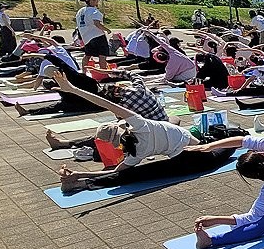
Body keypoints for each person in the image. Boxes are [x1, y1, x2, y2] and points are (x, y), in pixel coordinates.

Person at [49, 75, 238, 193]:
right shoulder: (140, 125)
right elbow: (106, 103)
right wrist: (73, 89)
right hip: (198, 159)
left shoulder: (134, 152)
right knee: (232, 143)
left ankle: (79, 184)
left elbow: (116, 172)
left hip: (185, 159)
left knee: (139, 173)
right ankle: (78, 183)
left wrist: (80, 173)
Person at [76, 0, 113, 69]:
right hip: (97, 35)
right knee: (102, 55)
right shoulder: (94, 11)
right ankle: (103, 71)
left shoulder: (80, 11)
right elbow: (97, 23)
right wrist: (107, 30)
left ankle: (84, 72)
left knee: (87, 55)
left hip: (86, 37)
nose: (97, 1)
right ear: (91, 1)